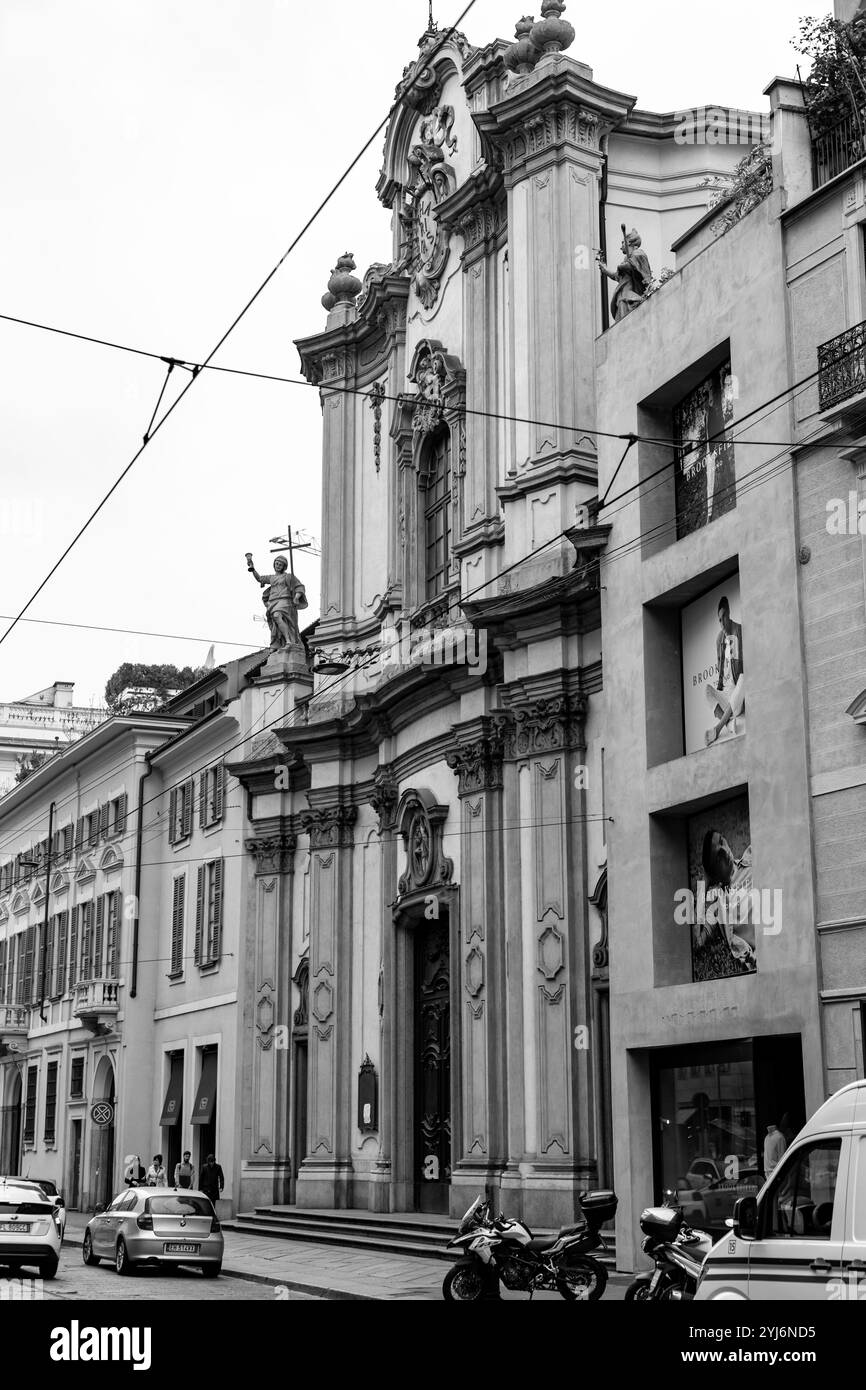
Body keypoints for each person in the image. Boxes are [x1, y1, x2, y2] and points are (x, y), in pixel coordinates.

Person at [694, 829, 756, 978]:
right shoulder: (717, 907)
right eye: (717, 856)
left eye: (722, 842)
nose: (724, 851)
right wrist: (705, 880)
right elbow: (698, 940)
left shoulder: (752, 855)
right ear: (713, 873)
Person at [246, 554, 308, 652]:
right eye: (276, 563)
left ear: (284, 566)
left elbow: (299, 587)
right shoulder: (271, 578)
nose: (278, 566)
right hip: (272, 602)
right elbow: (259, 579)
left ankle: (288, 641)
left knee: (277, 615)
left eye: (280, 564)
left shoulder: (288, 576)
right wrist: (252, 569)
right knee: (275, 622)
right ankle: (279, 642)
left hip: (285, 600)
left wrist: (296, 597)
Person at [705, 596, 745, 745]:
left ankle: (718, 727)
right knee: (707, 691)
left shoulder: (739, 630)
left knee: (744, 678)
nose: (722, 623)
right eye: (719, 620)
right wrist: (720, 687)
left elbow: (743, 666)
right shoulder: (719, 638)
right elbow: (719, 665)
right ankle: (728, 723)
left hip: (738, 687)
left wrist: (731, 638)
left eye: (724, 617)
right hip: (727, 690)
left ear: (729, 614)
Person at [596, 229, 653, 321]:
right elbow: (618, 276)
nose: (621, 246)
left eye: (623, 243)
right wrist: (605, 270)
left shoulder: (638, 253)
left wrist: (623, 265)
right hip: (622, 296)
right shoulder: (627, 258)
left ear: (629, 243)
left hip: (630, 296)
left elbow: (634, 268)